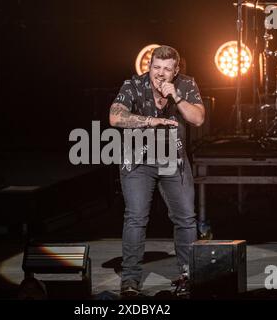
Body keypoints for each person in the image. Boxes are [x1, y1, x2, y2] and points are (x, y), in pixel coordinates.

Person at [109, 45, 205, 296]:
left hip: (173, 159)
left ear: (176, 71)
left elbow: (198, 119)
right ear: (149, 66)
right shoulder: (133, 85)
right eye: (156, 68)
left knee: (186, 218)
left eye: (166, 69)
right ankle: (130, 281)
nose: (160, 74)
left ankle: (187, 276)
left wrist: (178, 97)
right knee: (136, 217)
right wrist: (150, 121)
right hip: (138, 159)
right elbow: (115, 117)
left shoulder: (185, 85)